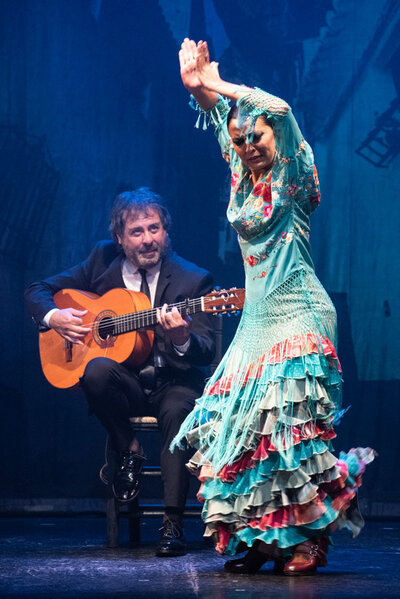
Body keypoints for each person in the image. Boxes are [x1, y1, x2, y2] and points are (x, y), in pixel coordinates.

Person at [171, 39, 375, 575]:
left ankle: (309, 541)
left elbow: (278, 109)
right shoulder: (243, 171)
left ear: (274, 136)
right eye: (241, 140)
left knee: (288, 432)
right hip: (257, 320)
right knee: (244, 433)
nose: (248, 146)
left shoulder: (292, 167)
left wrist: (218, 83)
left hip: (300, 310)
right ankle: (265, 542)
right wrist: (199, 89)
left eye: (255, 136)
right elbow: (224, 124)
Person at [25, 187, 216, 557]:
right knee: (95, 370)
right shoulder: (101, 262)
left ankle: (172, 524)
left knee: (177, 411)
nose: (147, 239)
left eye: (154, 228)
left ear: (166, 231)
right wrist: (54, 317)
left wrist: (182, 339)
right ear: (119, 238)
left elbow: (206, 348)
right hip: (126, 385)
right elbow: (38, 290)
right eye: (136, 232)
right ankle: (129, 447)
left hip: (173, 382)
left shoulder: (194, 280)